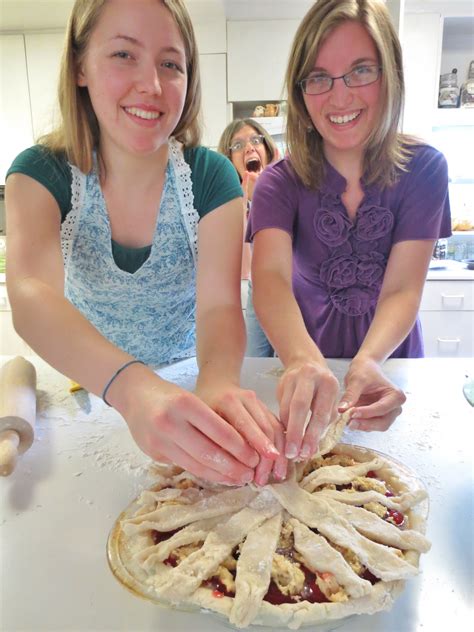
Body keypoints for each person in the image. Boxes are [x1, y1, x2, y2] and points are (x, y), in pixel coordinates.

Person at [5, 0, 287, 487]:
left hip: (189, 381)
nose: (151, 85)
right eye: (123, 55)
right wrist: (131, 390)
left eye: (170, 64)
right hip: (88, 388)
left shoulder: (210, 176)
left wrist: (217, 383)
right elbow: (31, 294)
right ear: (80, 66)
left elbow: (219, 305)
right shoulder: (41, 172)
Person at [247, 0, 451, 461]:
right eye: (319, 77)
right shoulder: (279, 183)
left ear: (391, 76)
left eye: (361, 71)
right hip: (306, 374)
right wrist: (301, 359)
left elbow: (401, 288)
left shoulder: (424, 169)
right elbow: (271, 281)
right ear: (301, 92)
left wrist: (370, 361)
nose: (339, 98)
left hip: (390, 368)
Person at [217, 118, 277, 357]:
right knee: (254, 365)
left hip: (295, 290)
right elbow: (244, 270)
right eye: (238, 145)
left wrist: (265, 195)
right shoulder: (228, 201)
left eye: (255, 140)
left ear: (268, 149)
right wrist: (244, 202)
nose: (250, 148)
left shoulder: (289, 188)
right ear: (229, 160)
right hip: (257, 290)